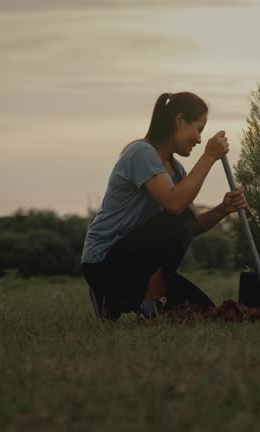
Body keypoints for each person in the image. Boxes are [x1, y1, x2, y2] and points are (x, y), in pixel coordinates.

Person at [82, 91, 246, 320]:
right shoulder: (141, 152)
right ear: (179, 121)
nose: (199, 139)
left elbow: (189, 225)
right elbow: (175, 205)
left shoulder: (176, 170)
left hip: (138, 263)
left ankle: (113, 301)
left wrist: (222, 210)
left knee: (206, 310)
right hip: (104, 262)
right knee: (179, 214)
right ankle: (146, 298)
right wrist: (209, 157)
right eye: (198, 129)